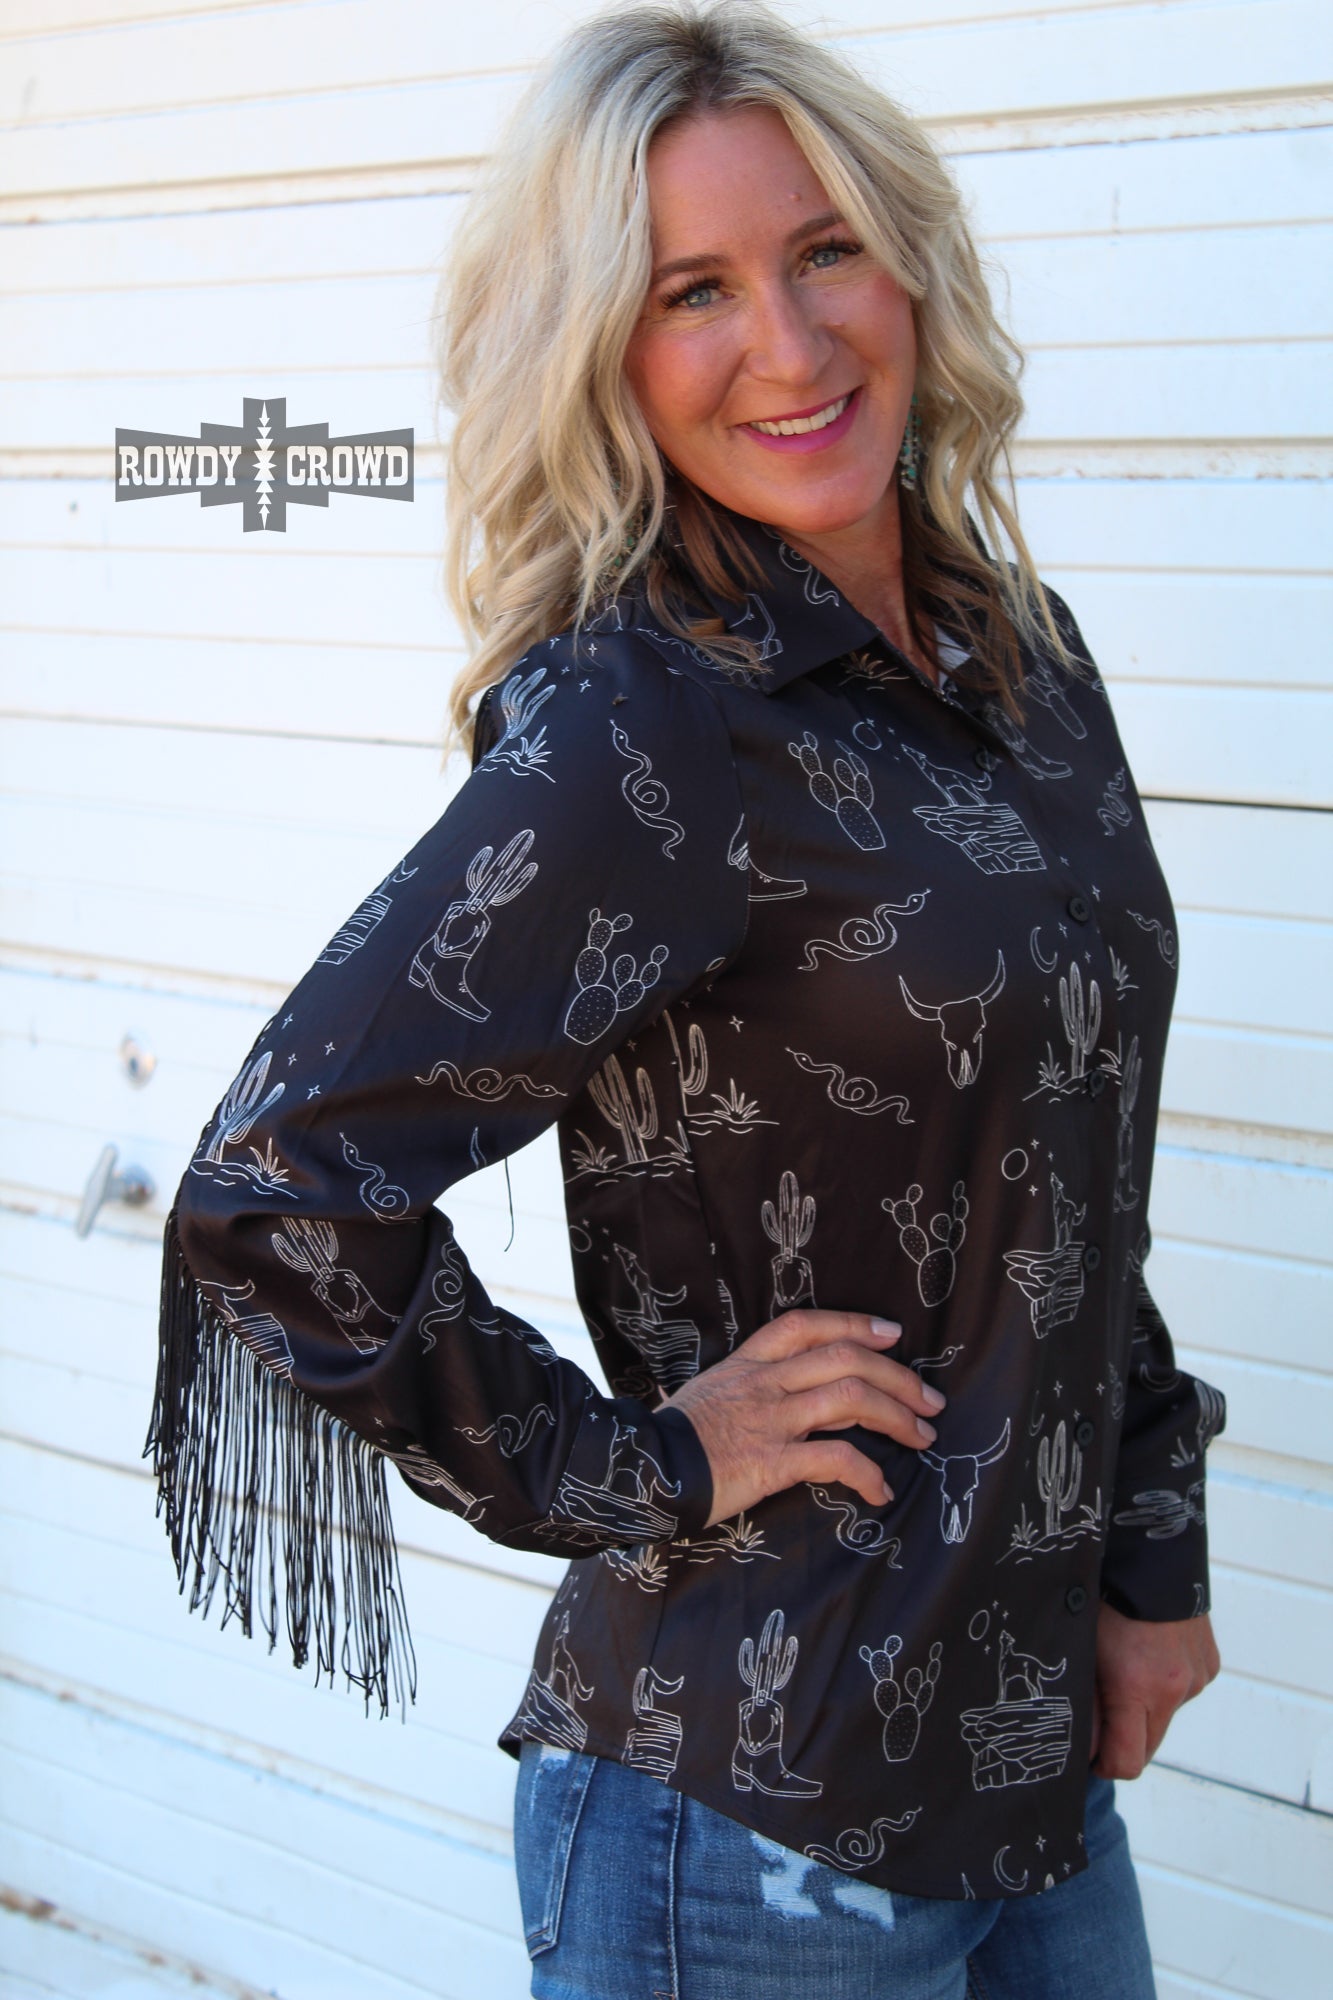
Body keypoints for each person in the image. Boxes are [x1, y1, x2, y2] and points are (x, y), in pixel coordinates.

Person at [149, 3, 1226, 1993]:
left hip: (1025, 1761)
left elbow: (1068, 1153)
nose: (791, 347)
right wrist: (632, 1465)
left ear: (908, 264)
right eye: (691, 292)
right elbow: (275, 1191)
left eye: (824, 252)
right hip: (746, 1813)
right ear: (604, 354)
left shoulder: (1020, 659)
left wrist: (1150, 1555)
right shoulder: (644, 721)